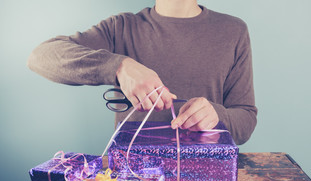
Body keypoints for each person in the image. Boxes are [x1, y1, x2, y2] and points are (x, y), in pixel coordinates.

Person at [27, 0, 257, 145]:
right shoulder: (121, 27)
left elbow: (246, 120)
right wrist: (118, 66)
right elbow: (41, 56)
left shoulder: (233, 31)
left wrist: (217, 116)